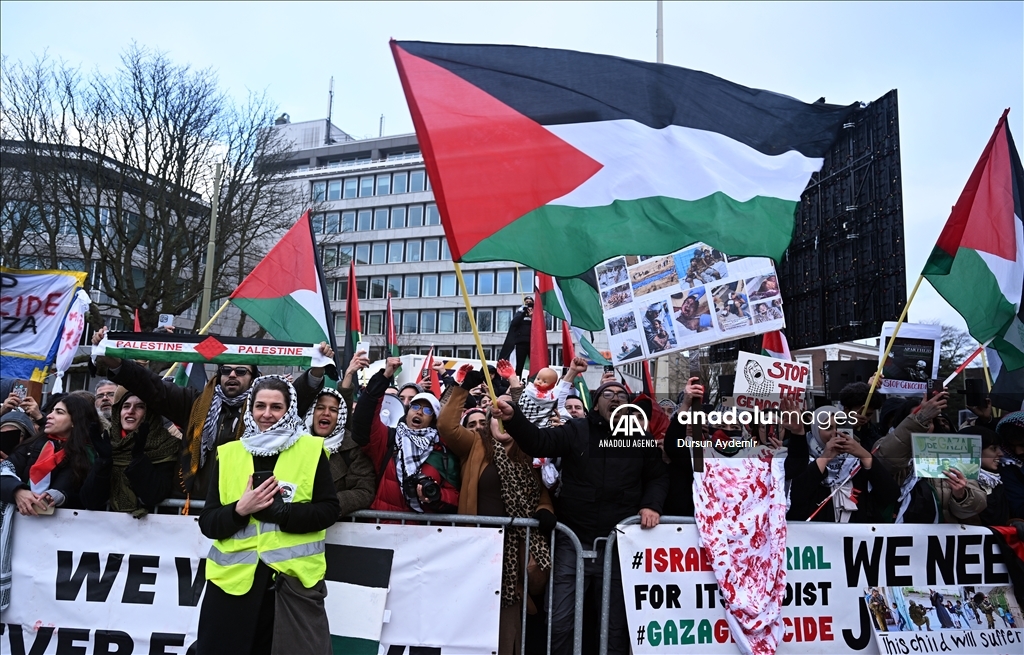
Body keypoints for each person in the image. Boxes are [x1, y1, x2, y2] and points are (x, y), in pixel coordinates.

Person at [493, 380, 669, 655]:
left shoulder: (640, 438)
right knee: (560, 620)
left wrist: (651, 505)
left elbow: (658, 476)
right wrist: (514, 418)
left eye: (621, 395)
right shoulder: (577, 431)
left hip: (617, 546)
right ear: (596, 403)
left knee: (614, 626)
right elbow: (539, 442)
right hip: (573, 542)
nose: (615, 398)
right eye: (607, 394)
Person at [92, 326, 331, 500]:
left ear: (253, 377)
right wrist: (115, 362)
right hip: (191, 499)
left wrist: (317, 370)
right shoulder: (194, 402)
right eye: (226, 370)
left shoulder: (263, 409)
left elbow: (295, 396)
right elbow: (151, 386)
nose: (233, 375)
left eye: (241, 371)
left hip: (241, 501)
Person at [197, 376, 339, 655]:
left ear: (289, 409)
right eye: (259, 406)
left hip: (290, 587)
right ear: (250, 409)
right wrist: (240, 510)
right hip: (231, 587)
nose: (266, 414)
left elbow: (328, 510)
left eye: (276, 407)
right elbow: (209, 522)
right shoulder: (228, 454)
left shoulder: (311, 450)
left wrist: (283, 513)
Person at [438, 369, 554, 655]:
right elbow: (447, 426)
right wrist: (461, 387)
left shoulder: (528, 453)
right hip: (477, 547)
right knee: (471, 617)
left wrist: (544, 511)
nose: (500, 423)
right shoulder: (475, 445)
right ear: (488, 424)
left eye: (506, 419)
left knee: (507, 624)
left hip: (513, 552)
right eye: (495, 418)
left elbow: (542, 493)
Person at [351, 357, 459, 514]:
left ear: (433, 420)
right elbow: (363, 420)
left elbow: (455, 497)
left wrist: (436, 496)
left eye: (427, 410)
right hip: (383, 527)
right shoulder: (389, 439)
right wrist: (384, 377)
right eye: (415, 406)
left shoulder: (441, 451)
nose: (420, 412)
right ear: (407, 411)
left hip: (423, 533)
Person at [874, 391, 987, 523]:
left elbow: (977, 506)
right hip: (896, 534)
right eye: (916, 419)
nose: (925, 426)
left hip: (939, 537)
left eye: (930, 421)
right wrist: (921, 418)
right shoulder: (883, 444)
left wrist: (962, 496)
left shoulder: (951, 451)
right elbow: (885, 461)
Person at [785, 406, 899, 523]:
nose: (834, 434)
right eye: (827, 428)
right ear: (816, 430)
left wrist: (865, 455)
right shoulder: (802, 457)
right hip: (815, 537)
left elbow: (891, 494)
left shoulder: (855, 461)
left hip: (852, 538)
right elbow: (794, 496)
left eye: (839, 428)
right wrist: (825, 458)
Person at [80, 388, 181, 516]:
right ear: (118, 413)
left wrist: (139, 459)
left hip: (151, 530)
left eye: (140, 407)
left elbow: (154, 496)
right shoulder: (106, 442)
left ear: (150, 414)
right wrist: (104, 461)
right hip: (107, 530)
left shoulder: (166, 446)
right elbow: (89, 500)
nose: (130, 411)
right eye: (126, 406)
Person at [0, 394, 100, 514]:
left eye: (59, 412)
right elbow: (4, 470)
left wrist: (61, 496)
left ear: (75, 420)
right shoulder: (33, 444)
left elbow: (85, 496)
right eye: (51, 411)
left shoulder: (88, 454)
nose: (50, 416)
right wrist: (17, 491)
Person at [304, 353, 376, 517]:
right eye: (320, 408)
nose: (326, 413)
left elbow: (364, 491)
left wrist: (326, 506)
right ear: (312, 413)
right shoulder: (295, 443)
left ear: (341, 416)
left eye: (334, 410)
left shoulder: (352, 449)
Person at [994, 412, 1024, 519]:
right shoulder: (1010, 470)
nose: (1019, 452)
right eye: (1012, 446)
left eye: (1022, 445)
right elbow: (1019, 509)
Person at [499, 296, 534, 376]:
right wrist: (522, 312)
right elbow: (514, 323)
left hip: (532, 344)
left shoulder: (536, 314)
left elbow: (538, 327)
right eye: (526, 302)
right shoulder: (520, 313)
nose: (528, 304)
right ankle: (517, 381)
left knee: (534, 365)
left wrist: (532, 316)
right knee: (519, 365)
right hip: (521, 343)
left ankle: (532, 380)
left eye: (530, 302)